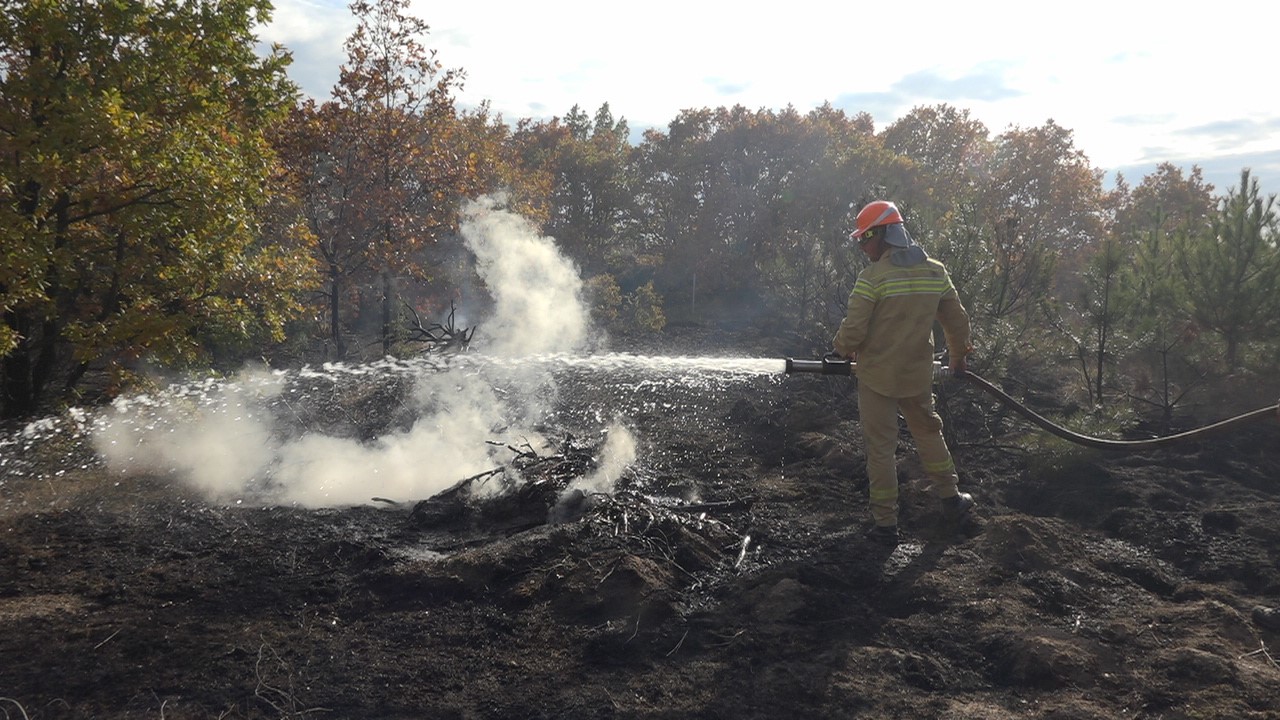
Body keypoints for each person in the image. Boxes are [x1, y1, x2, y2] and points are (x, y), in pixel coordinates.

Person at [832, 200, 974, 546]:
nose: (862, 246)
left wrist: (840, 350)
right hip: (917, 375)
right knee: (928, 432)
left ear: (885, 234)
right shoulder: (935, 272)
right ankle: (951, 498)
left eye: (865, 238)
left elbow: (854, 330)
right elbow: (957, 321)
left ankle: (885, 525)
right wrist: (958, 357)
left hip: (877, 377)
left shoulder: (872, 278)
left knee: (881, 448)